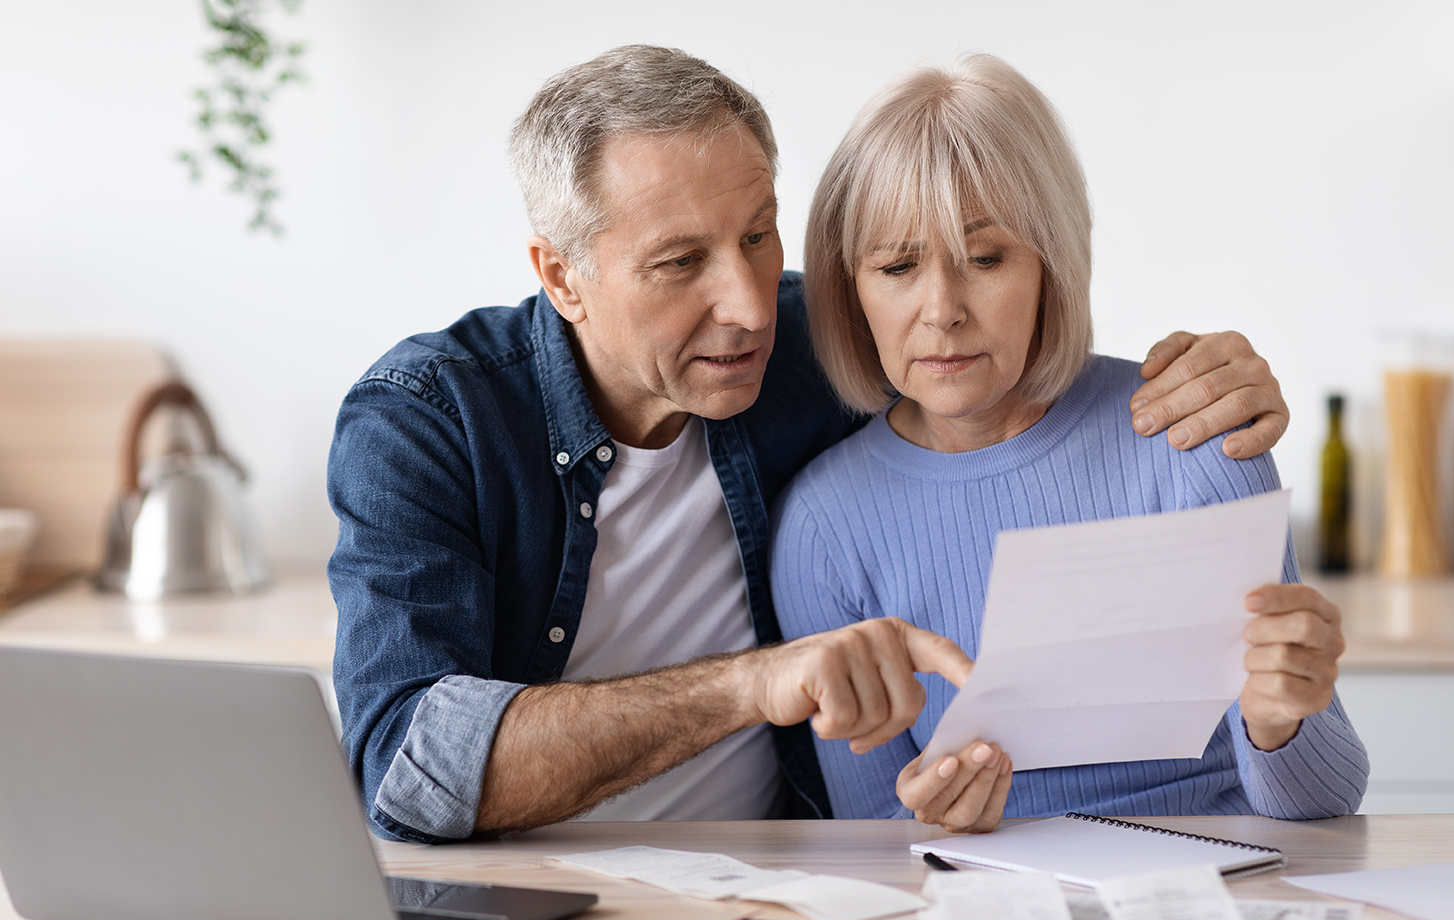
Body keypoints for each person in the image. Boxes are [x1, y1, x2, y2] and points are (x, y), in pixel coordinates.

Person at [326, 45, 1295, 845]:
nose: (748, 308)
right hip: (529, 897)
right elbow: (413, 772)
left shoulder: (814, 345)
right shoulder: (427, 421)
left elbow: (983, 323)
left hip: (783, 889)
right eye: (679, 264)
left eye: (757, 236)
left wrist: (1209, 373)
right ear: (562, 278)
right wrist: (753, 687)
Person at [771, 55, 1367, 833]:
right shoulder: (824, 524)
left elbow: (1325, 802)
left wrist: (1278, 720)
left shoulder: (1188, 436)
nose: (940, 309)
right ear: (849, 289)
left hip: (1220, 887)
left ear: (1051, 265)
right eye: (896, 265)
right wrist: (929, 822)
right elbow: (873, 832)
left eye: (985, 258)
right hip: (979, 913)